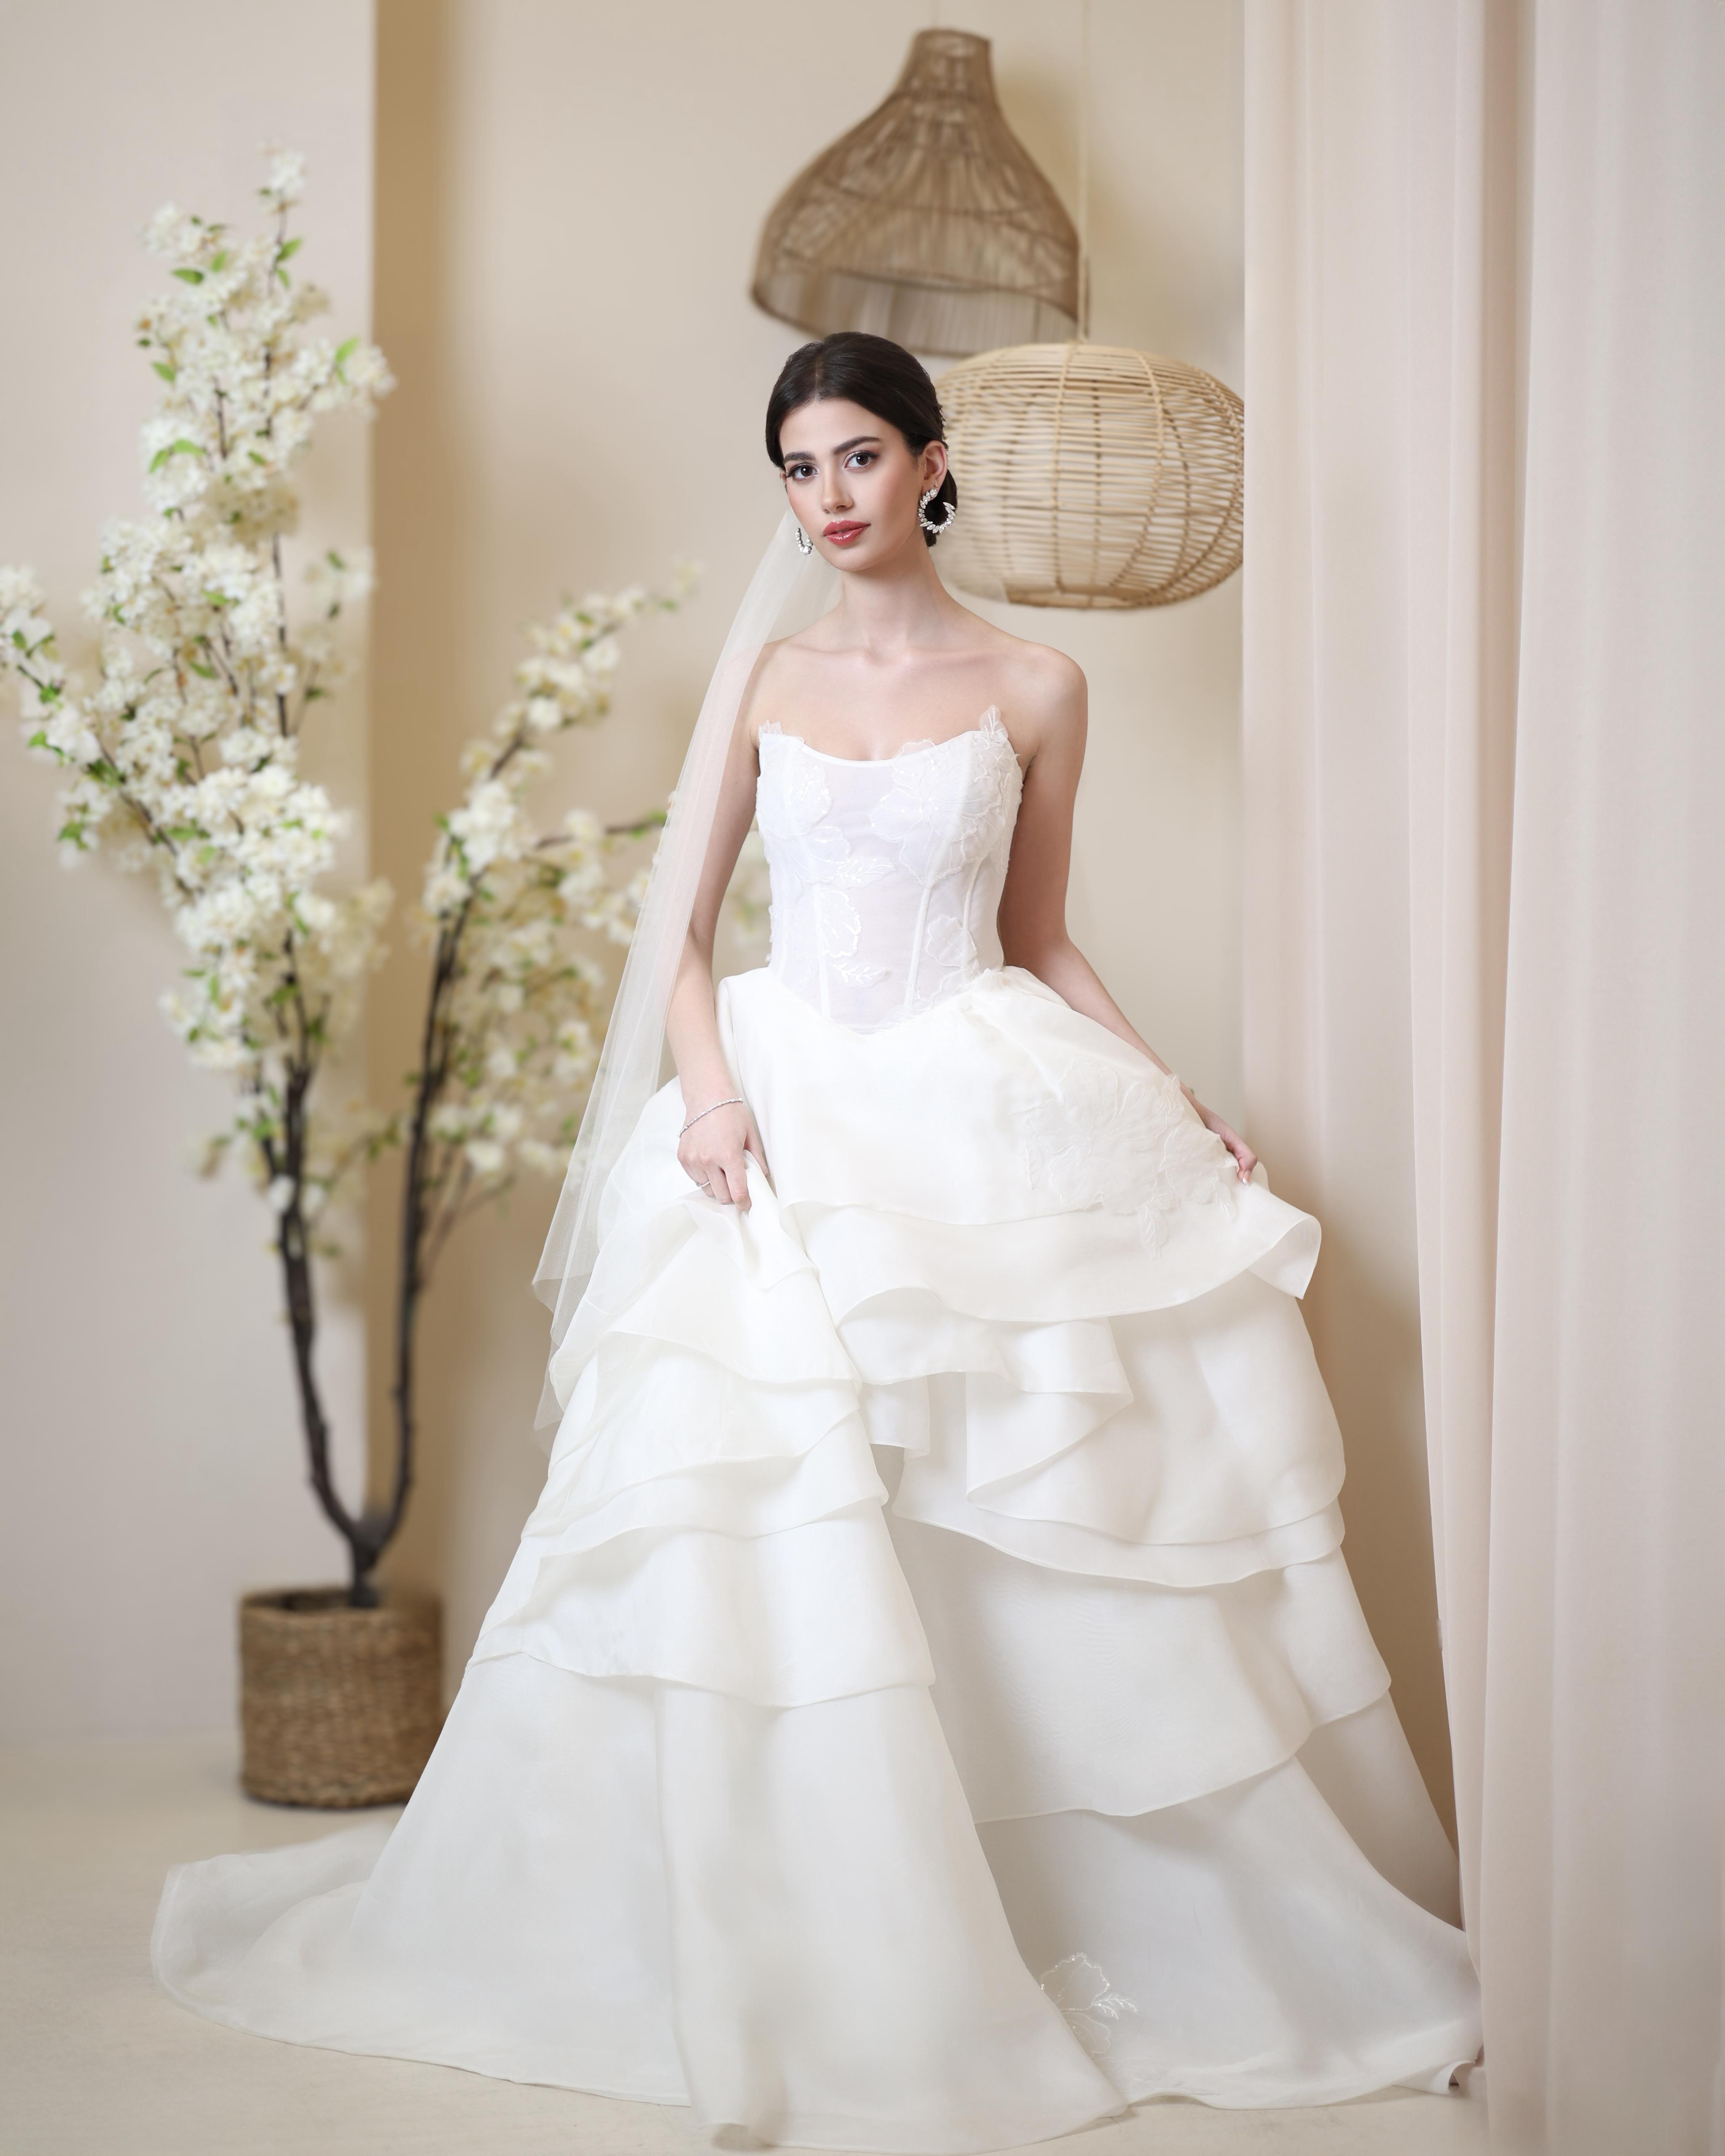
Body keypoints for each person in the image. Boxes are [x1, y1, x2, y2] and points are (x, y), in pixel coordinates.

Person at [154, 332, 1481, 2149]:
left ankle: (1033, 1910)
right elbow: (681, 933)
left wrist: (1167, 1090)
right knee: (771, 1498)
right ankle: (808, 1923)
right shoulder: (765, 677)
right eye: (798, 467)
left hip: (970, 1082)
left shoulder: (1038, 679)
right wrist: (710, 1103)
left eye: (858, 457)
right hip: (778, 1098)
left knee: (1001, 1500)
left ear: (931, 466)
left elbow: (1037, 934)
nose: (827, 497)